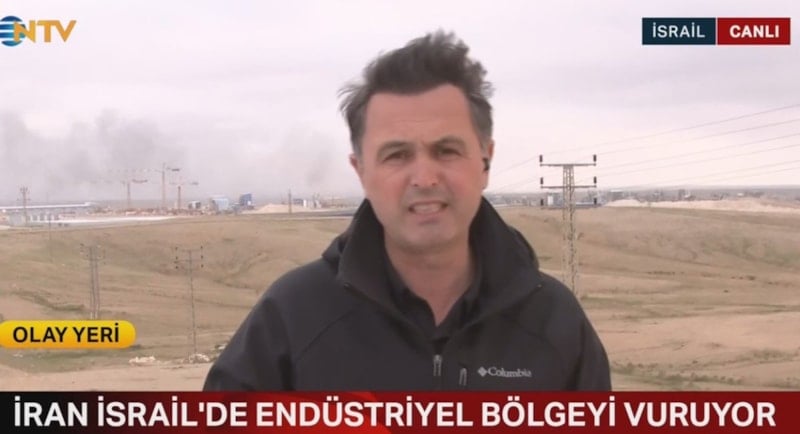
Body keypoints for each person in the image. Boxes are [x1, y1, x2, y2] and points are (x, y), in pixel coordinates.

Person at [203, 30, 611, 390]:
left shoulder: (555, 324)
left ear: (485, 161)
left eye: (446, 150)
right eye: (397, 155)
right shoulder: (293, 319)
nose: (425, 178)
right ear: (361, 171)